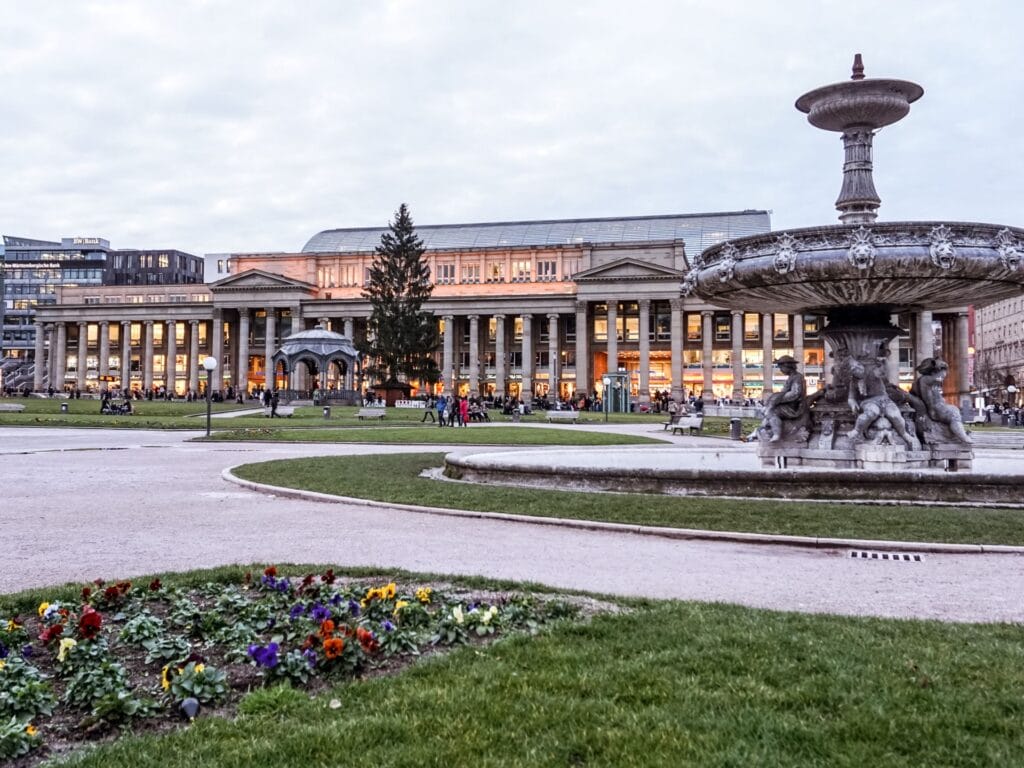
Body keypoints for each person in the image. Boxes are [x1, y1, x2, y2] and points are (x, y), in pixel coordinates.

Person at [760, 355, 805, 443]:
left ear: (788, 366)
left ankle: (777, 434)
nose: (780, 370)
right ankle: (763, 430)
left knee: (772, 412)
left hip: (794, 407)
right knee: (767, 411)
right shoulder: (792, 377)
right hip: (788, 404)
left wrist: (777, 400)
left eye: (781, 367)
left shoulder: (797, 377)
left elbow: (795, 394)